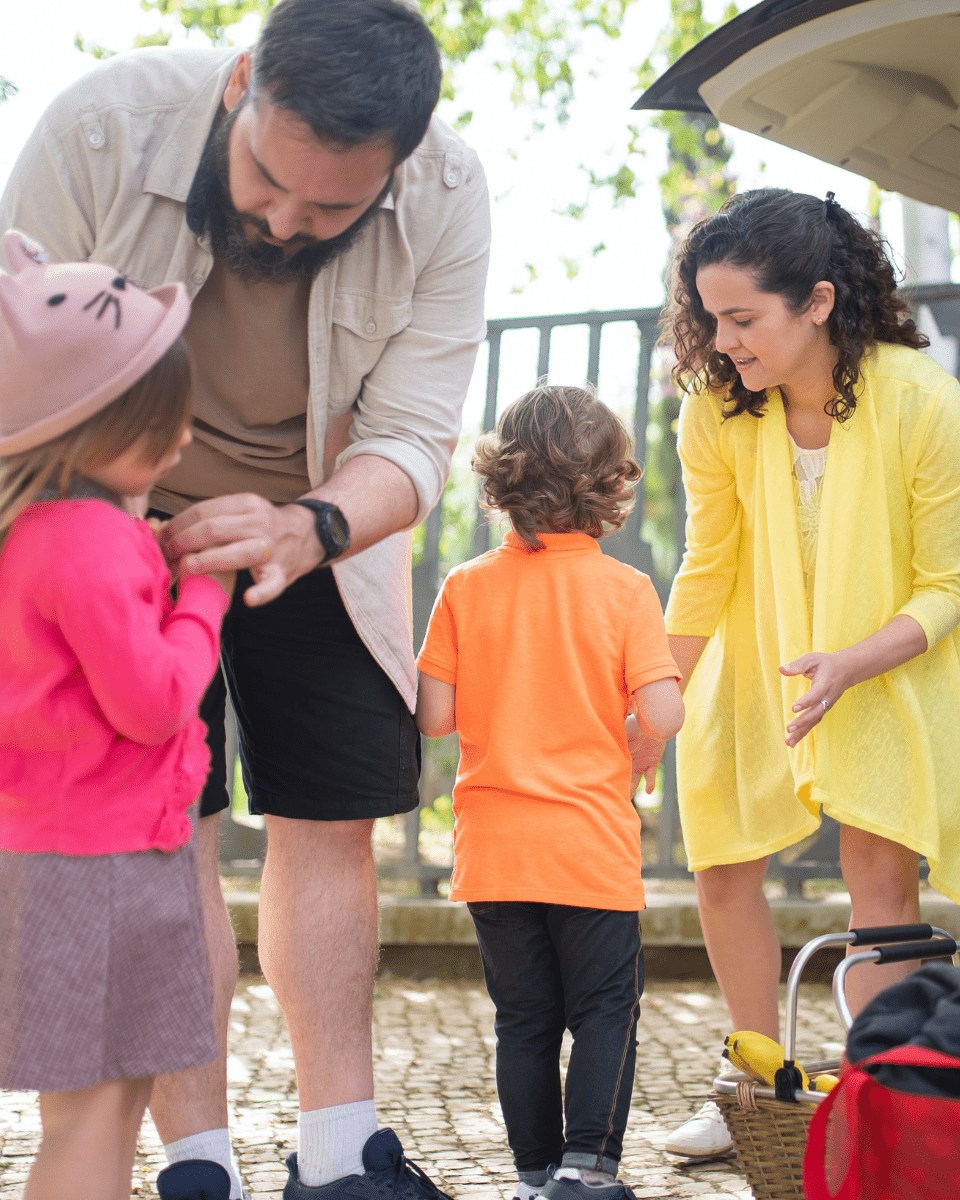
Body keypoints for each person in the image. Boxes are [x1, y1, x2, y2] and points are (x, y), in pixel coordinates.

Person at [0, 2, 490, 1196]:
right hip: (110, 519)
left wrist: (306, 527)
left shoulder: (448, 196)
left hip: (323, 516)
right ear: (237, 87)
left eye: (331, 208)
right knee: (170, 831)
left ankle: (341, 1156)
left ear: (398, 169)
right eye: (268, 178)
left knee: (333, 816)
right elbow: (15, 346)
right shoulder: (101, 130)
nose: (284, 220)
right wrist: (129, 543)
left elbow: (419, 433)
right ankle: (196, 1164)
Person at [637, 188, 960, 1160]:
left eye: (742, 319)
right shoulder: (715, 408)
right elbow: (709, 562)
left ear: (817, 302)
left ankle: (884, 1097)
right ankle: (755, 1087)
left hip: (889, 663)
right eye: (710, 317)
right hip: (759, 653)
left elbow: (950, 583)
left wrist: (854, 661)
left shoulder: (922, 399)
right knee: (723, 866)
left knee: (878, 878)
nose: (723, 340)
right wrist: (659, 696)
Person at [0, 231, 236, 1200]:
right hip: (103, 865)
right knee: (103, 1109)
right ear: (95, 427)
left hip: (47, 852)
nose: (182, 440)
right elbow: (151, 704)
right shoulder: (93, 540)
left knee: (79, 1105)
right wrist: (205, 596)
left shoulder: (34, 532)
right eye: (164, 423)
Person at [416, 385, 685, 1200]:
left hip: (495, 849)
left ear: (501, 482)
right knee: (605, 1007)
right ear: (609, 487)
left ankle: (534, 1175)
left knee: (523, 1019)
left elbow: (434, 718)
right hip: (588, 846)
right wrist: (636, 730)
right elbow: (664, 709)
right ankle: (588, 1168)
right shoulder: (626, 590)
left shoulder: (466, 586)